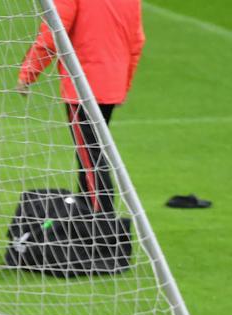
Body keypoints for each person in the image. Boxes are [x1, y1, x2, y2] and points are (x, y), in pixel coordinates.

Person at [16, 0, 145, 213]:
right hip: (112, 84)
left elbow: (54, 33)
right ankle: (89, 220)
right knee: (92, 154)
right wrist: (125, 83)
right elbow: (136, 41)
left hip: (84, 86)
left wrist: (28, 73)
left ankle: (100, 226)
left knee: (90, 159)